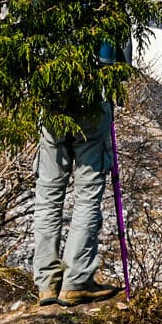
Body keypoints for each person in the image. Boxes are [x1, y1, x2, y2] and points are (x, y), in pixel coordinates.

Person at [32, 41, 130, 308]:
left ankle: (46, 282)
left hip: (52, 105)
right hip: (93, 106)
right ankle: (76, 282)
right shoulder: (107, 3)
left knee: (48, 197)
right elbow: (120, 70)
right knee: (87, 198)